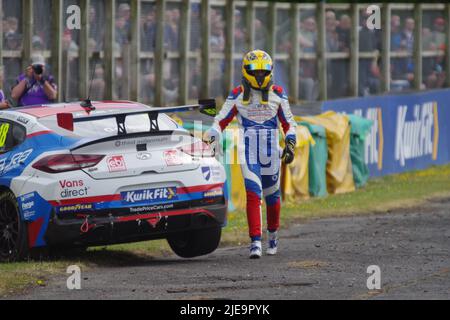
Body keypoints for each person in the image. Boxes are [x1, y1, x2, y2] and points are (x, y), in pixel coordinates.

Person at [204, 50, 297, 259]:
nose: (259, 76)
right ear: (246, 71)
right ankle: (255, 241)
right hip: (248, 152)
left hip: (272, 152)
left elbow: (289, 123)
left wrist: (290, 143)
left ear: (271, 71)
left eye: (263, 71)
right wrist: (213, 136)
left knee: (273, 197)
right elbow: (219, 121)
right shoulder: (237, 94)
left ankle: (273, 234)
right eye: (255, 72)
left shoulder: (279, 93)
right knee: (253, 194)